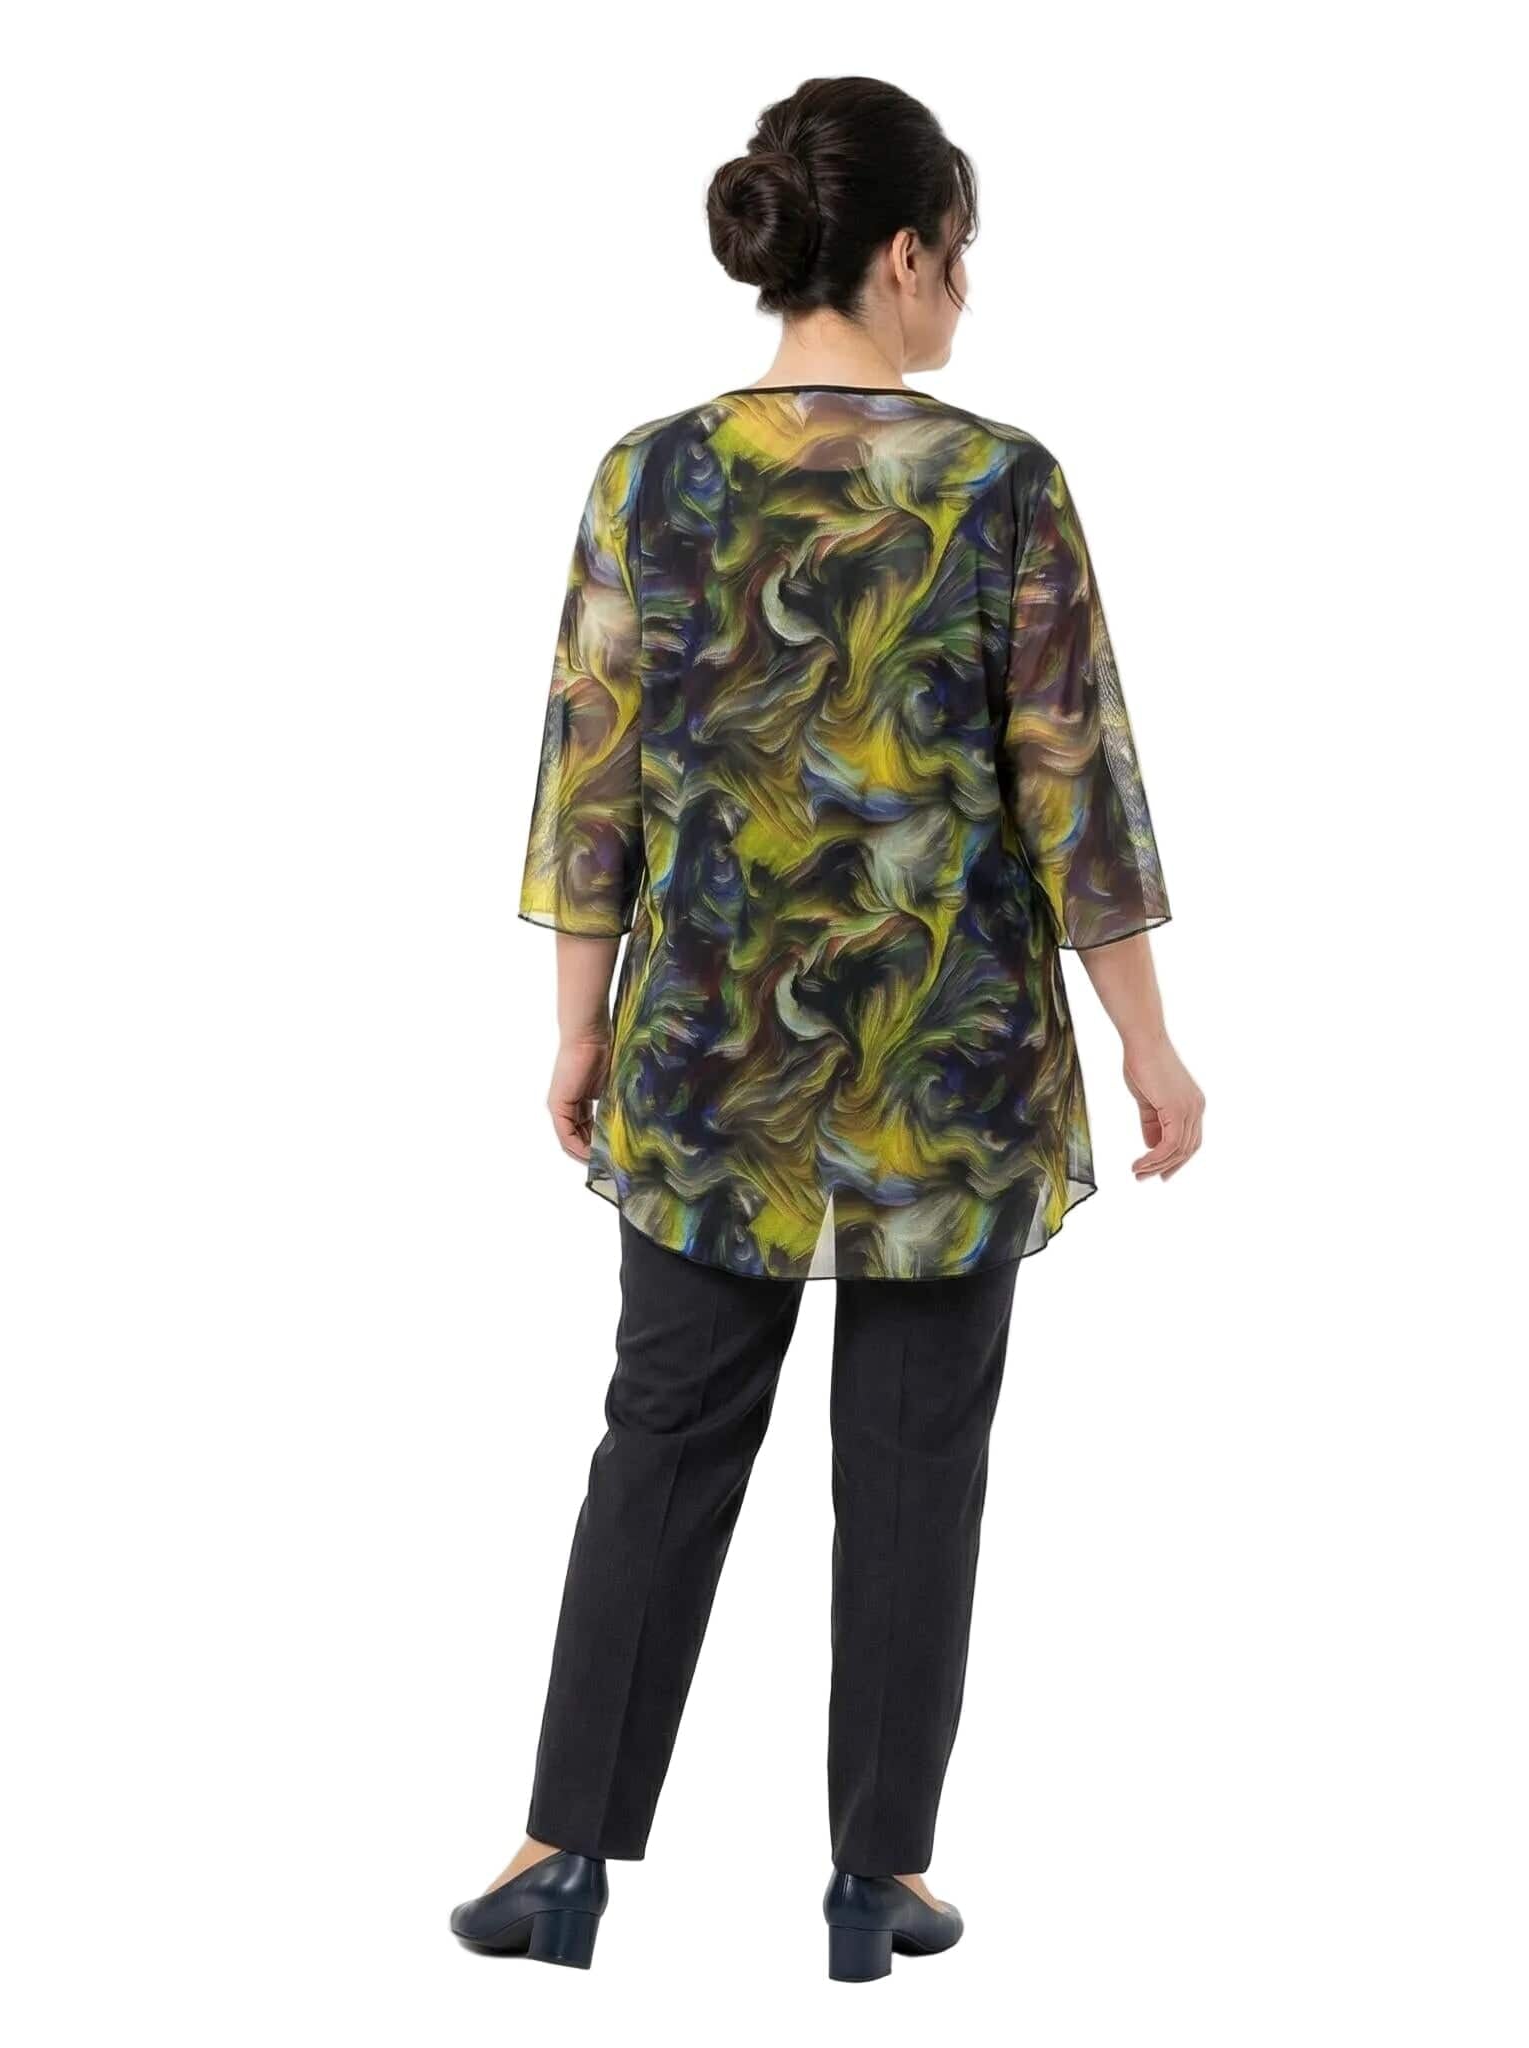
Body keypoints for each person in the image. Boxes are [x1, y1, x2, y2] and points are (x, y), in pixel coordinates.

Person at [449, 75, 1205, 1982]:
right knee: (917, 1460)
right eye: (963, 253)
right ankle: (878, 1880)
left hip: (708, 1060)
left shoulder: (650, 477)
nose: (965, 291)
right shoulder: (999, 483)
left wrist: (576, 1025)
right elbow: (1073, 789)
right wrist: (1150, 1043)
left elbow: (592, 780)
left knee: (662, 1436)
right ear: (907, 252)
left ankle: (559, 1855)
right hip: (949, 1068)